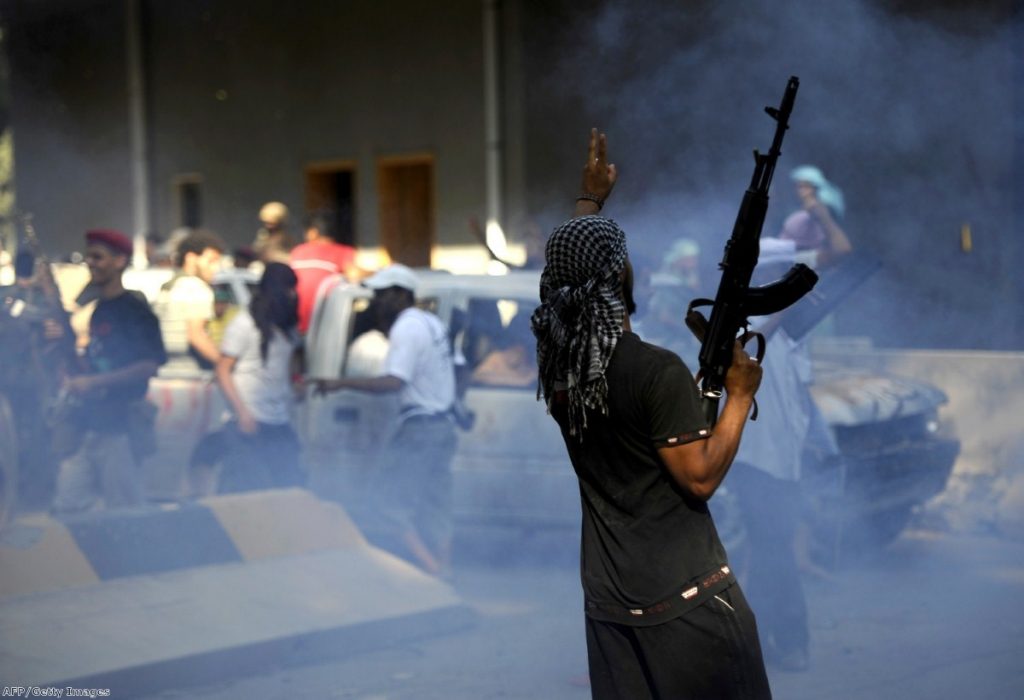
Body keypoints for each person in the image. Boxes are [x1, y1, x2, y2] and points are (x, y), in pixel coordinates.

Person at [530, 129, 770, 699]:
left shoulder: (563, 372)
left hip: (612, 609)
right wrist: (739, 393)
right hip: (686, 608)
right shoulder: (653, 370)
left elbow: (571, 267)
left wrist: (589, 201)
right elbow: (700, 476)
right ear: (617, 277)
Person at [725, 164, 852, 673]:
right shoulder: (740, 322)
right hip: (755, 458)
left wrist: (815, 208)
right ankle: (778, 643)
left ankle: (780, 643)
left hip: (777, 459)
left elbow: (840, 253)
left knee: (770, 553)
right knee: (768, 552)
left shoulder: (782, 323)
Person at [315, 264, 458, 576]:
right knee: (436, 505)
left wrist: (340, 383)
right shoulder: (431, 322)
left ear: (399, 295)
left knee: (385, 503)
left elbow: (394, 382)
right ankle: (444, 566)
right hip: (442, 425)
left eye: (381, 295)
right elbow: (460, 367)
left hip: (420, 429)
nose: (375, 302)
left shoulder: (406, 326)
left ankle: (431, 569)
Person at [51, 229, 167, 513]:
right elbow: (98, 359)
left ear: (119, 261)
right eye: (89, 256)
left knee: (126, 512)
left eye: (98, 256)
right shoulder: (100, 308)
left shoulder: (133, 310)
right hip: (90, 424)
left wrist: (94, 381)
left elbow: (148, 365)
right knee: (69, 505)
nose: (90, 262)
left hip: (121, 428)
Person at [215, 262, 305, 493]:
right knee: (245, 488)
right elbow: (223, 370)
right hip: (250, 419)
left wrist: (296, 385)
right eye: (288, 289)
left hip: (279, 418)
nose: (293, 296)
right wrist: (242, 413)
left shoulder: (287, 328)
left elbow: (289, 363)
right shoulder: (245, 324)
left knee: (290, 484)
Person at [153, 229, 225, 369]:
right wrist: (225, 367)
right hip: (190, 373)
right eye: (211, 261)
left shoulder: (169, 285)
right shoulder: (196, 288)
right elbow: (196, 335)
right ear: (191, 258)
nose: (215, 268)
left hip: (164, 371)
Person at [289, 210, 362, 334]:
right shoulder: (345, 253)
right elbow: (355, 277)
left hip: (293, 326)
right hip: (325, 331)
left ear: (313, 232)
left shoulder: (298, 251)